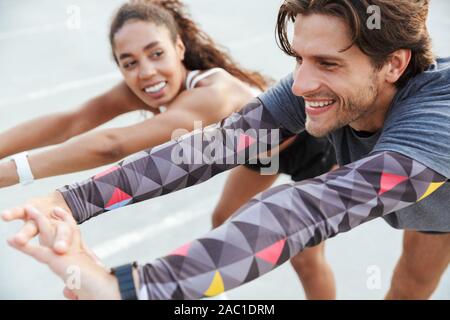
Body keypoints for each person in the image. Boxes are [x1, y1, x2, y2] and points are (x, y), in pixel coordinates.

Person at [4, 0, 449, 300]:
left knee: (412, 283)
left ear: (394, 63)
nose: (300, 84)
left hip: (438, 203)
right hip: (430, 206)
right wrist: (68, 200)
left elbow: (305, 209)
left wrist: (132, 288)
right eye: (299, 59)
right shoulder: (313, 89)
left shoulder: (437, 121)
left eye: (328, 63)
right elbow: (209, 147)